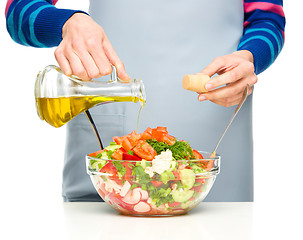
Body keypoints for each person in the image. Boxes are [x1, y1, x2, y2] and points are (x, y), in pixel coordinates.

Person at [5, 0, 285, 202]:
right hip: (108, 134)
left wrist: (249, 57)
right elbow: (18, 12)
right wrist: (67, 22)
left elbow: (268, 19)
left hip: (218, 134)